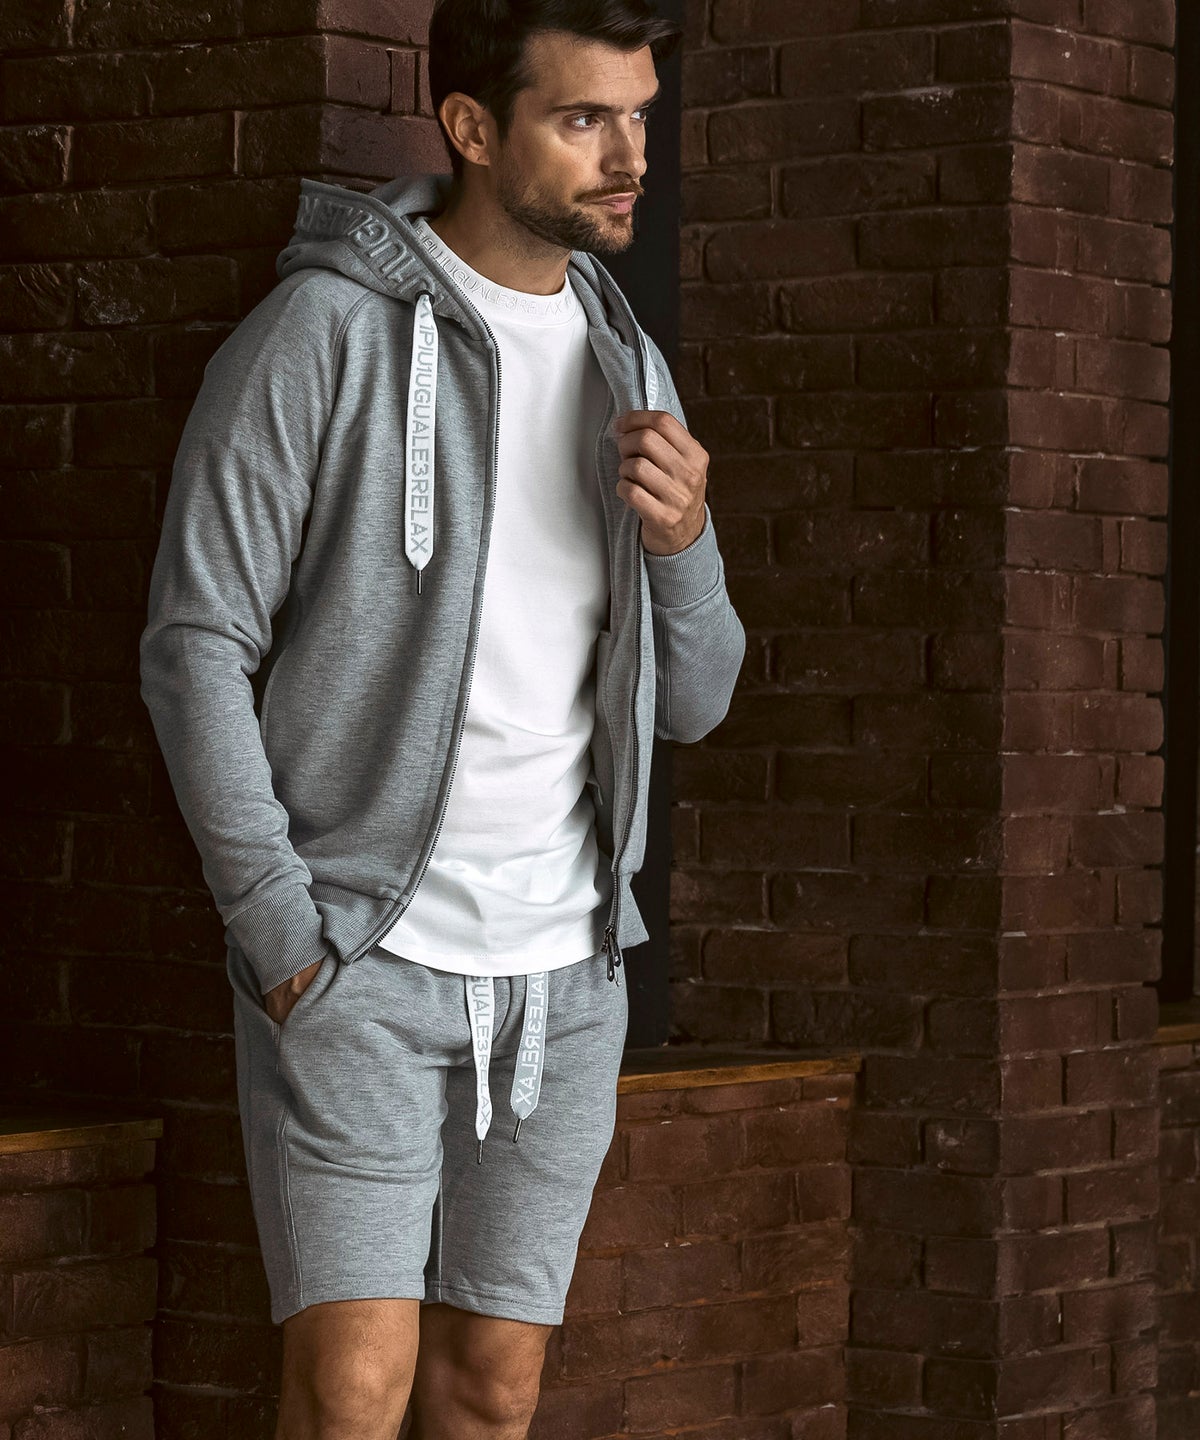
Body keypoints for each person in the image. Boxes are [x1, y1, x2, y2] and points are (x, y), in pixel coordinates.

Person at [140, 0, 745, 1434]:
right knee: (350, 1394)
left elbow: (700, 701)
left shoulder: (627, 364)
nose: (630, 158)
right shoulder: (323, 334)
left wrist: (685, 543)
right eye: (583, 119)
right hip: (361, 958)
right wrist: (284, 932)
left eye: (639, 117)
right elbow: (194, 642)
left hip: (565, 972)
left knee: (492, 1393)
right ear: (472, 127)